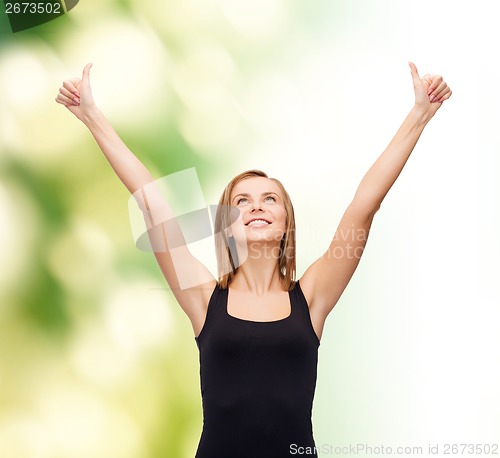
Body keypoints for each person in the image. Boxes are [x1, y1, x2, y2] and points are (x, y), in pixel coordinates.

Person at [55, 62, 452, 457]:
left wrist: (419, 114)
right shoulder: (203, 297)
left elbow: (364, 206)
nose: (255, 207)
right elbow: (152, 206)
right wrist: (92, 116)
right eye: (241, 202)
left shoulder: (312, 296)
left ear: (285, 223)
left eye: (269, 199)